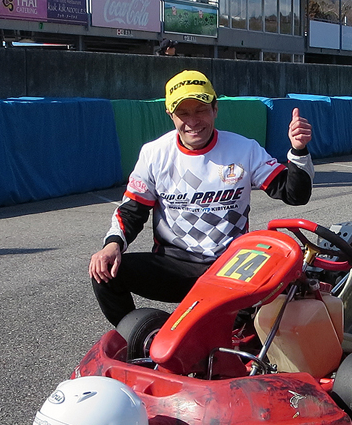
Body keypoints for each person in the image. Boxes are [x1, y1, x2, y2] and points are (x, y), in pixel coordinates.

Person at [89, 70, 314, 326]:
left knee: (249, 324)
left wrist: (298, 150)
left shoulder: (244, 149)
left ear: (215, 109)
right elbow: (132, 210)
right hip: (176, 265)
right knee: (104, 272)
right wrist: (112, 244)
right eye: (183, 113)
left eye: (201, 110)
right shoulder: (154, 154)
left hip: (230, 266)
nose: (193, 121)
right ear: (170, 115)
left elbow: (295, 194)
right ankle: (144, 341)